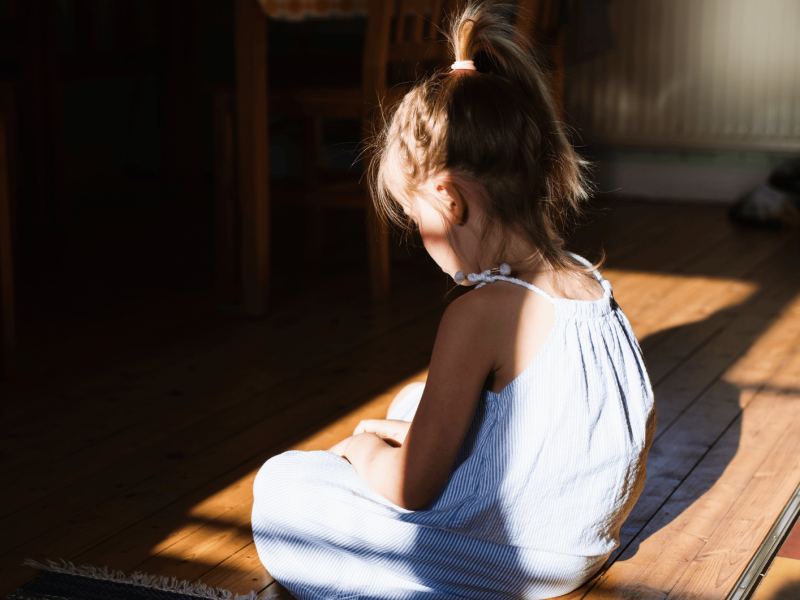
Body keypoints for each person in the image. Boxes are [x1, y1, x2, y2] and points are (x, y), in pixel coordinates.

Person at [251, 2, 656, 598]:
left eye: (417, 221)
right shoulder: (587, 281)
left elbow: (412, 491)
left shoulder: (482, 313)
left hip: (510, 559)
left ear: (449, 200)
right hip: (583, 544)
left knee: (280, 485)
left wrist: (362, 451)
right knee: (415, 399)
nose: (424, 242)